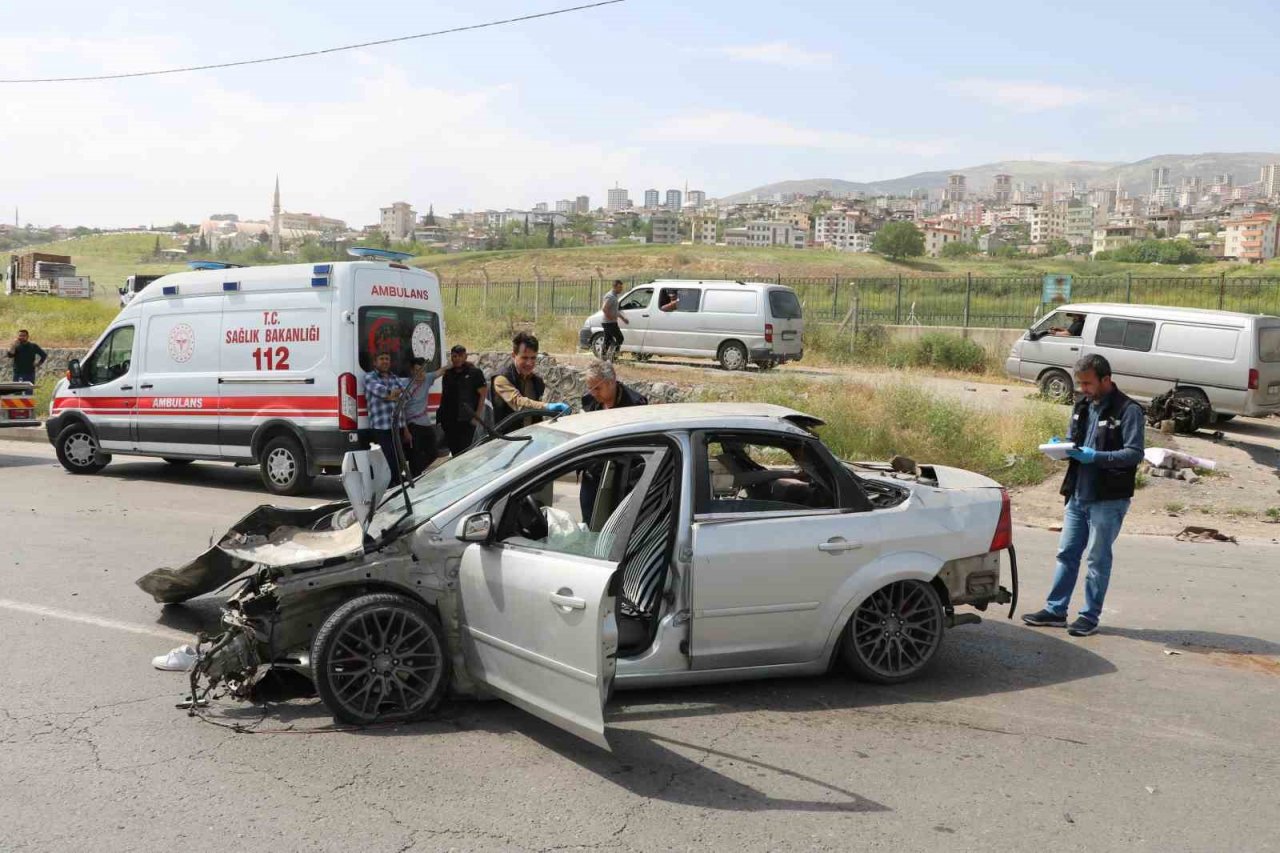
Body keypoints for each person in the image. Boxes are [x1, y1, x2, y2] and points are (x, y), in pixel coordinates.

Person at [1023, 354, 1144, 637]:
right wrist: (1061, 448)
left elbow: (1134, 454)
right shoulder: (1082, 405)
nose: (1084, 389)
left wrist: (1097, 457)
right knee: (1067, 553)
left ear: (1106, 379)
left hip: (1108, 498)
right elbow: (1073, 442)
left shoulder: (1128, 410)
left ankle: (1089, 616)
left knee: (1097, 558)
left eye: (1088, 384)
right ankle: (1055, 610)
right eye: (1081, 384)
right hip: (1078, 493)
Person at [578, 359, 648, 518]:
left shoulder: (635, 405)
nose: (593, 393)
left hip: (621, 477)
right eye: (590, 388)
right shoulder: (589, 401)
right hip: (593, 473)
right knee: (589, 520)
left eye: (597, 388)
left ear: (611, 382)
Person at [491, 332, 569, 434]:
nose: (529, 363)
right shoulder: (501, 378)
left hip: (528, 436)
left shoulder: (536, 381)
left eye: (533, 358)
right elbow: (518, 402)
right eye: (524, 358)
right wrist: (547, 407)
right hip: (501, 440)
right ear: (514, 355)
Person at [364, 351, 409, 485]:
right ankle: (393, 484)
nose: (385, 361)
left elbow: (406, 396)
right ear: (375, 362)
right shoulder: (369, 377)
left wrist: (391, 395)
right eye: (381, 358)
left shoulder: (395, 377)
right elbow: (381, 391)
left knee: (400, 457)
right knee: (389, 457)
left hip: (398, 425)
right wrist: (392, 393)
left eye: (387, 359)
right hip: (381, 426)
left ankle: (397, 482)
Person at [435, 344, 488, 457]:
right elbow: (444, 397)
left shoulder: (475, 373)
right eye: (454, 356)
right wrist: (441, 419)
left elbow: (483, 395)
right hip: (450, 421)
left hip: (467, 420)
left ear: (465, 357)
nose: (457, 359)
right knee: (455, 453)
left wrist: (476, 417)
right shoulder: (448, 374)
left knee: (465, 453)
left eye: (460, 356)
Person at [402, 357, 440, 478]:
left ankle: (423, 476)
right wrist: (406, 430)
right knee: (415, 457)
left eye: (423, 370)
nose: (421, 373)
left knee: (433, 453)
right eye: (418, 370)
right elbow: (400, 409)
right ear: (412, 371)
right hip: (412, 425)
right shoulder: (406, 385)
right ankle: (415, 479)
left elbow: (442, 370)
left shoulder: (427, 379)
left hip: (426, 424)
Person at [600, 279, 628, 361]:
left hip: (610, 322)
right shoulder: (610, 296)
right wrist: (611, 318)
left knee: (607, 340)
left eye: (621, 287)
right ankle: (614, 357)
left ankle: (604, 358)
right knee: (620, 338)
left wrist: (623, 318)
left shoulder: (614, 296)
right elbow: (604, 309)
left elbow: (614, 310)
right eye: (619, 287)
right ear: (614, 287)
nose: (621, 289)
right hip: (609, 323)